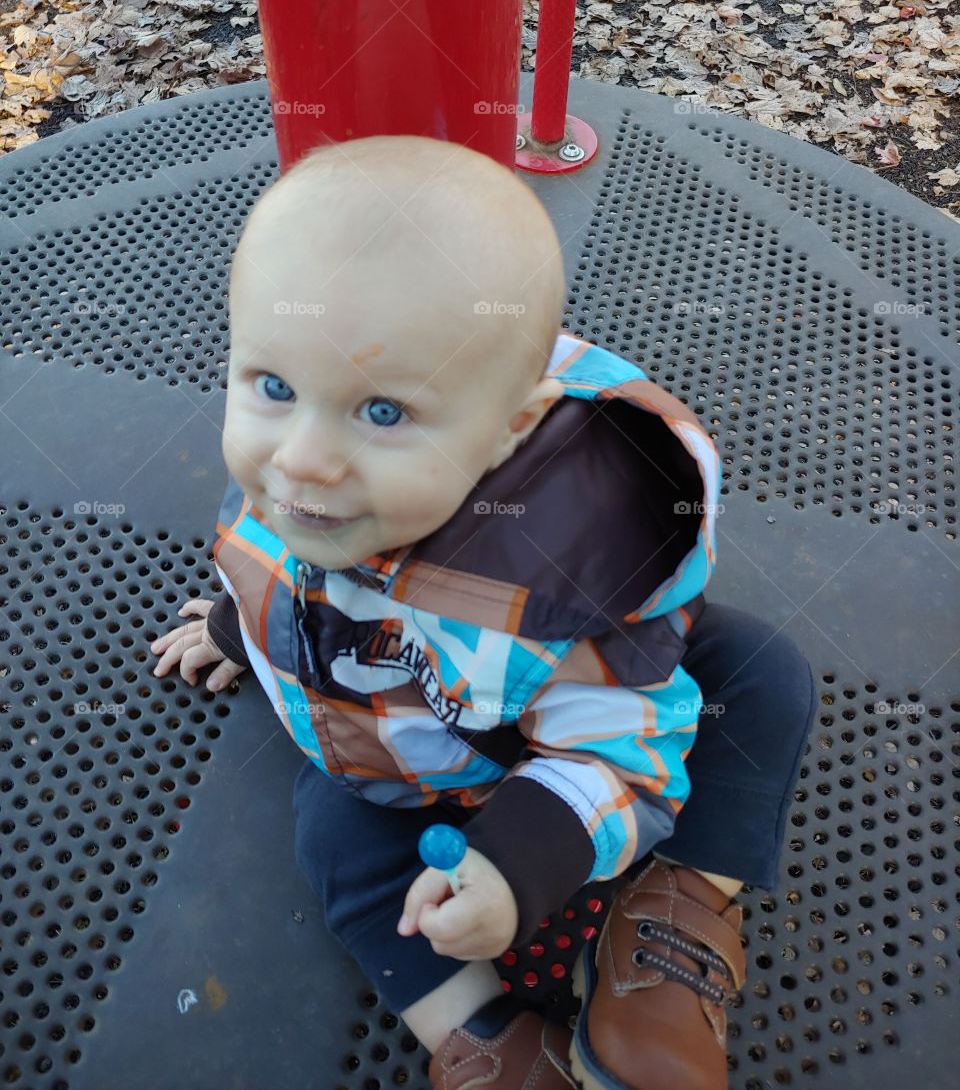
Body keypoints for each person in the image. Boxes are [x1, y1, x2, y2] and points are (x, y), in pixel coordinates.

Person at [149, 135, 817, 1090]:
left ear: (508, 430)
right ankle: (481, 1032)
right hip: (397, 758)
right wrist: (231, 625)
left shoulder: (559, 569)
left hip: (570, 731)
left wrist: (518, 865)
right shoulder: (300, 486)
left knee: (762, 680)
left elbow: (620, 745)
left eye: (382, 412)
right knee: (337, 838)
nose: (300, 457)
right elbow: (267, 560)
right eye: (273, 386)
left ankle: (675, 906)